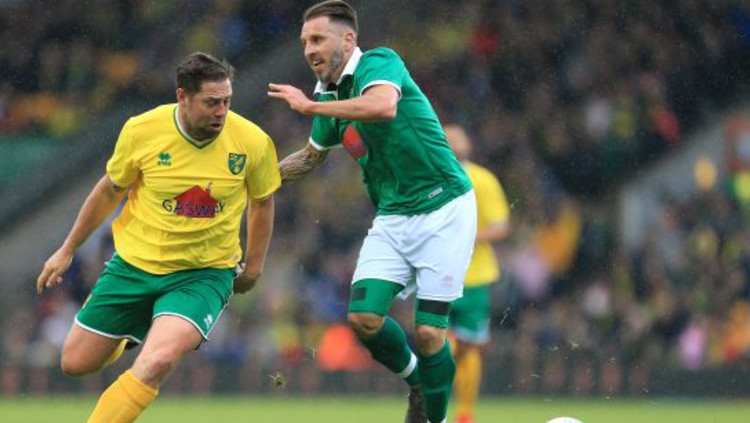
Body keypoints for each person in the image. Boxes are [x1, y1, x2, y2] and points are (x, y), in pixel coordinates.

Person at [36, 52, 280, 423]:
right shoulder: (142, 130)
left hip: (203, 274)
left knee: (158, 360)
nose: (222, 112)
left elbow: (262, 202)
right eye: (212, 102)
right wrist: (67, 250)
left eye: (227, 101)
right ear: (183, 96)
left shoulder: (252, 141)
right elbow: (109, 190)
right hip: (134, 266)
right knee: (75, 363)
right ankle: (130, 332)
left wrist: (255, 267)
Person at [268, 2, 477, 422]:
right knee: (363, 318)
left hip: (444, 207)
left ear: (348, 40)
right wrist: (253, 181)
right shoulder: (329, 98)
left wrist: (311, 107)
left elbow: (383, 106)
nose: (309, 50)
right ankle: (417, 382)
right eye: (304, 42)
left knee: (429, 333)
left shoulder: (379, 63)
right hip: (393, 215)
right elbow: (308, 158)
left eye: (317, 39)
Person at [443, 124, 510, 423]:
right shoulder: (430, 176)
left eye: (459, 137)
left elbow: (501, 227)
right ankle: (435, 406)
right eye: (449, 138)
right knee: (437, 341)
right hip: (438, 274)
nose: (455, 142)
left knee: (469, 346)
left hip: (475, 277)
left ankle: (464, 414)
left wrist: (468, 237)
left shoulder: (483, 180)